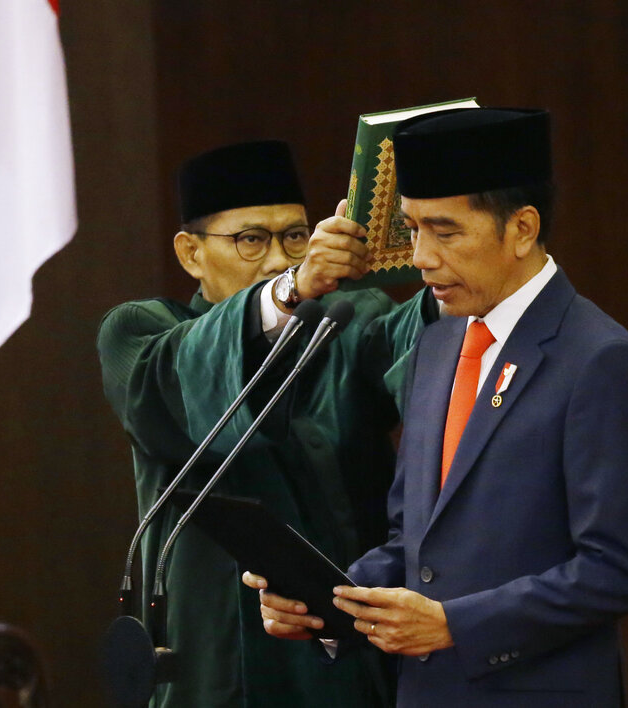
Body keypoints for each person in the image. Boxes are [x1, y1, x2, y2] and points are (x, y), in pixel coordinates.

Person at [245, 108, 628, 707]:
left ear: (521, 228)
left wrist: (455, 627)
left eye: (445, 232)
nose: (421, 257)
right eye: (413, 229)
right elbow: (411, 541)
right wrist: (327, 603)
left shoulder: (597, 359)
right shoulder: (438, 338)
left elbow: (621, 567)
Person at [98, 140, 426, 707]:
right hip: (214, 658)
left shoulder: (349, 320)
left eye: (295, 237)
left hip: (341, 650)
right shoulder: (141, 332)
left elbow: (430, 363)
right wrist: (292, 291)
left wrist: (455, 269)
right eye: (251, 239)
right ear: (190, 253)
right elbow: (175, 387)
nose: (279, 259)